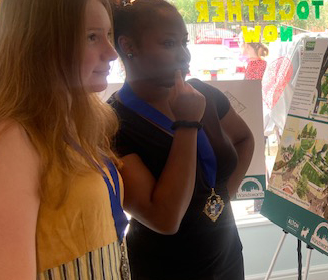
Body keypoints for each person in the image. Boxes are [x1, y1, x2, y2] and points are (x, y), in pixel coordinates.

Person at [109, 0, 255, 279]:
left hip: (226, 259)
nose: (184, 55)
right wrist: (187, 124)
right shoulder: (114, 121)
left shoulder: (204, 94)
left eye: (185, 42)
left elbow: (244, 139)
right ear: (129, 46)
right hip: (163, 268)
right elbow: (164, 219)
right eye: (169, 44)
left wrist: (220, 197)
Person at [0, 0, 128, 279]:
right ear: (42, 44)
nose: (112, 53)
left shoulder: (78, 121)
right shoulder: (14, 137)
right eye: (92, 37)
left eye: (108, 35)